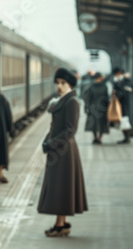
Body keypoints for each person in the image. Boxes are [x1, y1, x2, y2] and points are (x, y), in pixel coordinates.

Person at [38, 68, 88, 237]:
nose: (59, 86)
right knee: (61, 187)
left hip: (64, 151)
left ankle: (60, 225)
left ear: (70, 84)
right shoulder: (62, 100)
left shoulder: (72, 101)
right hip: (59, 150)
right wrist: (46, 141)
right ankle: (63, 223)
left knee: (61, 187)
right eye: (57, 83)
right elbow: (54, 126)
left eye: (63, 83)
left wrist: (52, 144)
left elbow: (70, 130)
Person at [84, 72, 109, 144]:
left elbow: (88, 98)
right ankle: (100, 138)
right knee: (103, 124)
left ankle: (95, 138)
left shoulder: (91, 87)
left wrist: (86, 107)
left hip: (93, 108)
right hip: (103, 108)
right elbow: (106, 98)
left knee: (93, 124)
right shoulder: (104, 86)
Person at [112, 67, 132, 144]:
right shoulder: (119, 82)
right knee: (123, 122)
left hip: (127, 106)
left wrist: (116, 92)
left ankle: (127, 138)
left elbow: (123, 92)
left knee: (126, 121)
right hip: (121, 106)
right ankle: (126, 138)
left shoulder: (126, 81)